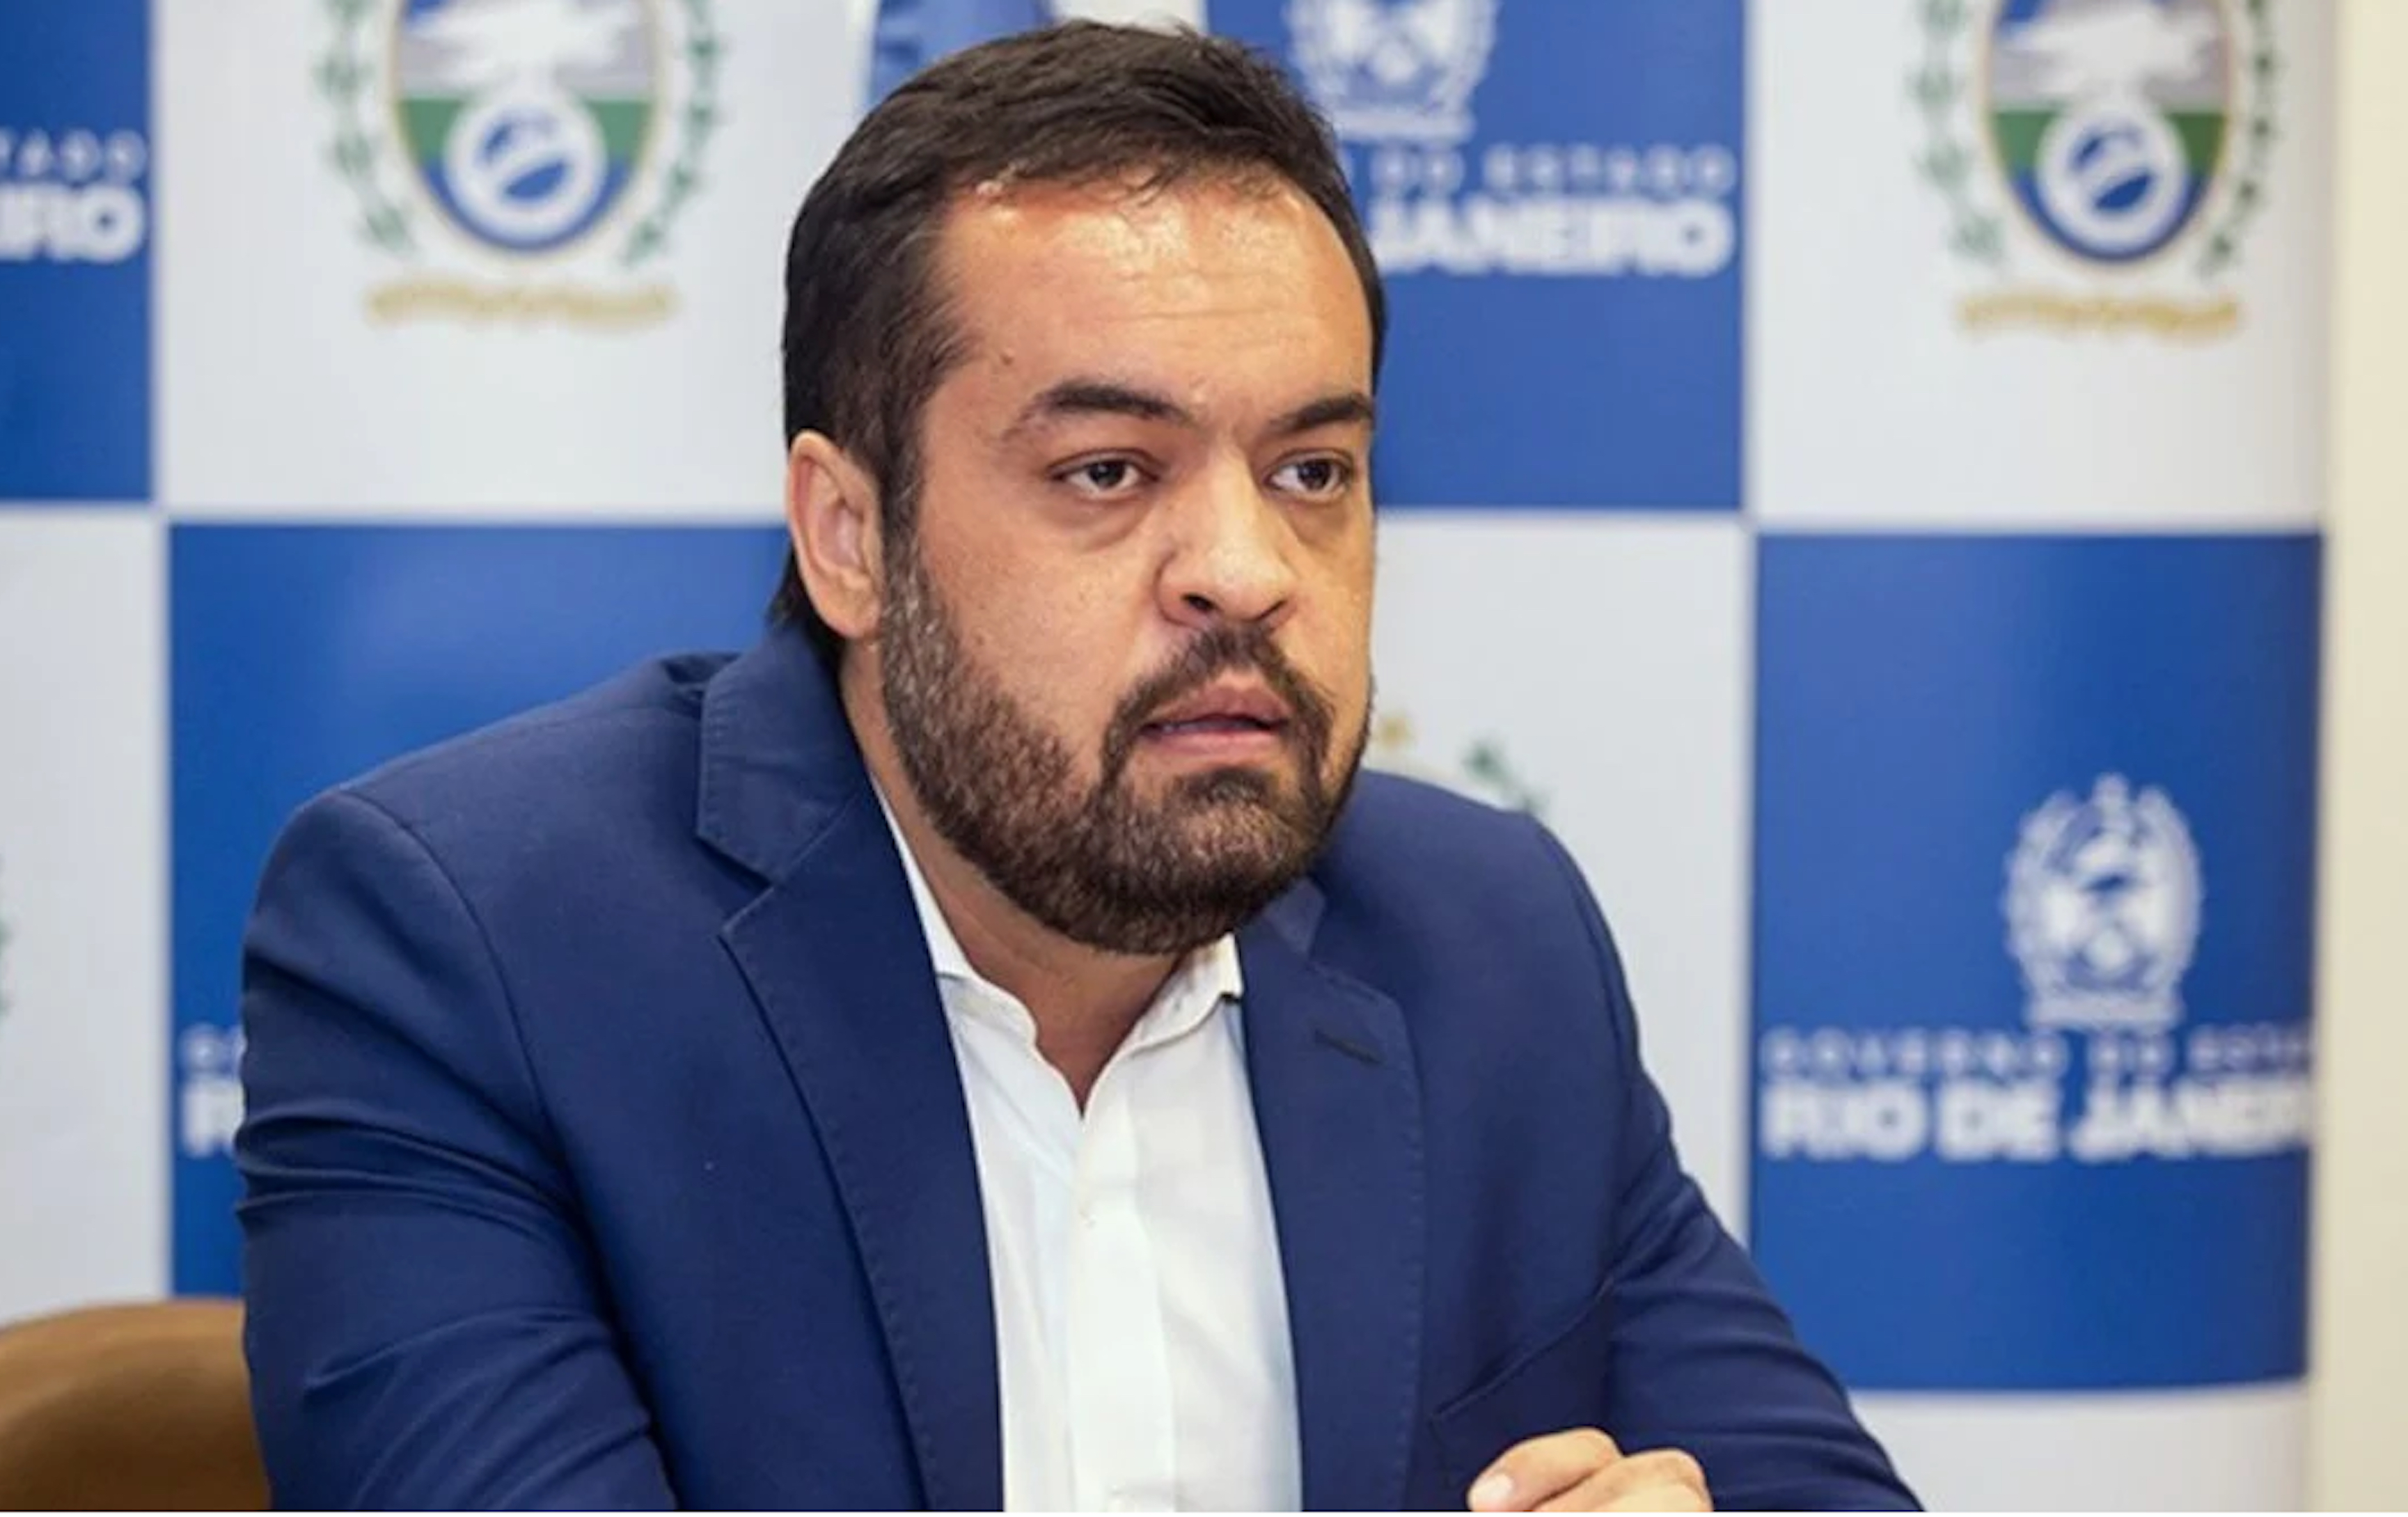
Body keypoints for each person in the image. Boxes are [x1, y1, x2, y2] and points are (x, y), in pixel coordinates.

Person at [235, 21, 1914, 1512]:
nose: (1245, 570)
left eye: (1312, 471)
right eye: (1110, 470)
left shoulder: (1491, 949)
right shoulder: (476, 951)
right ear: (850, 533)